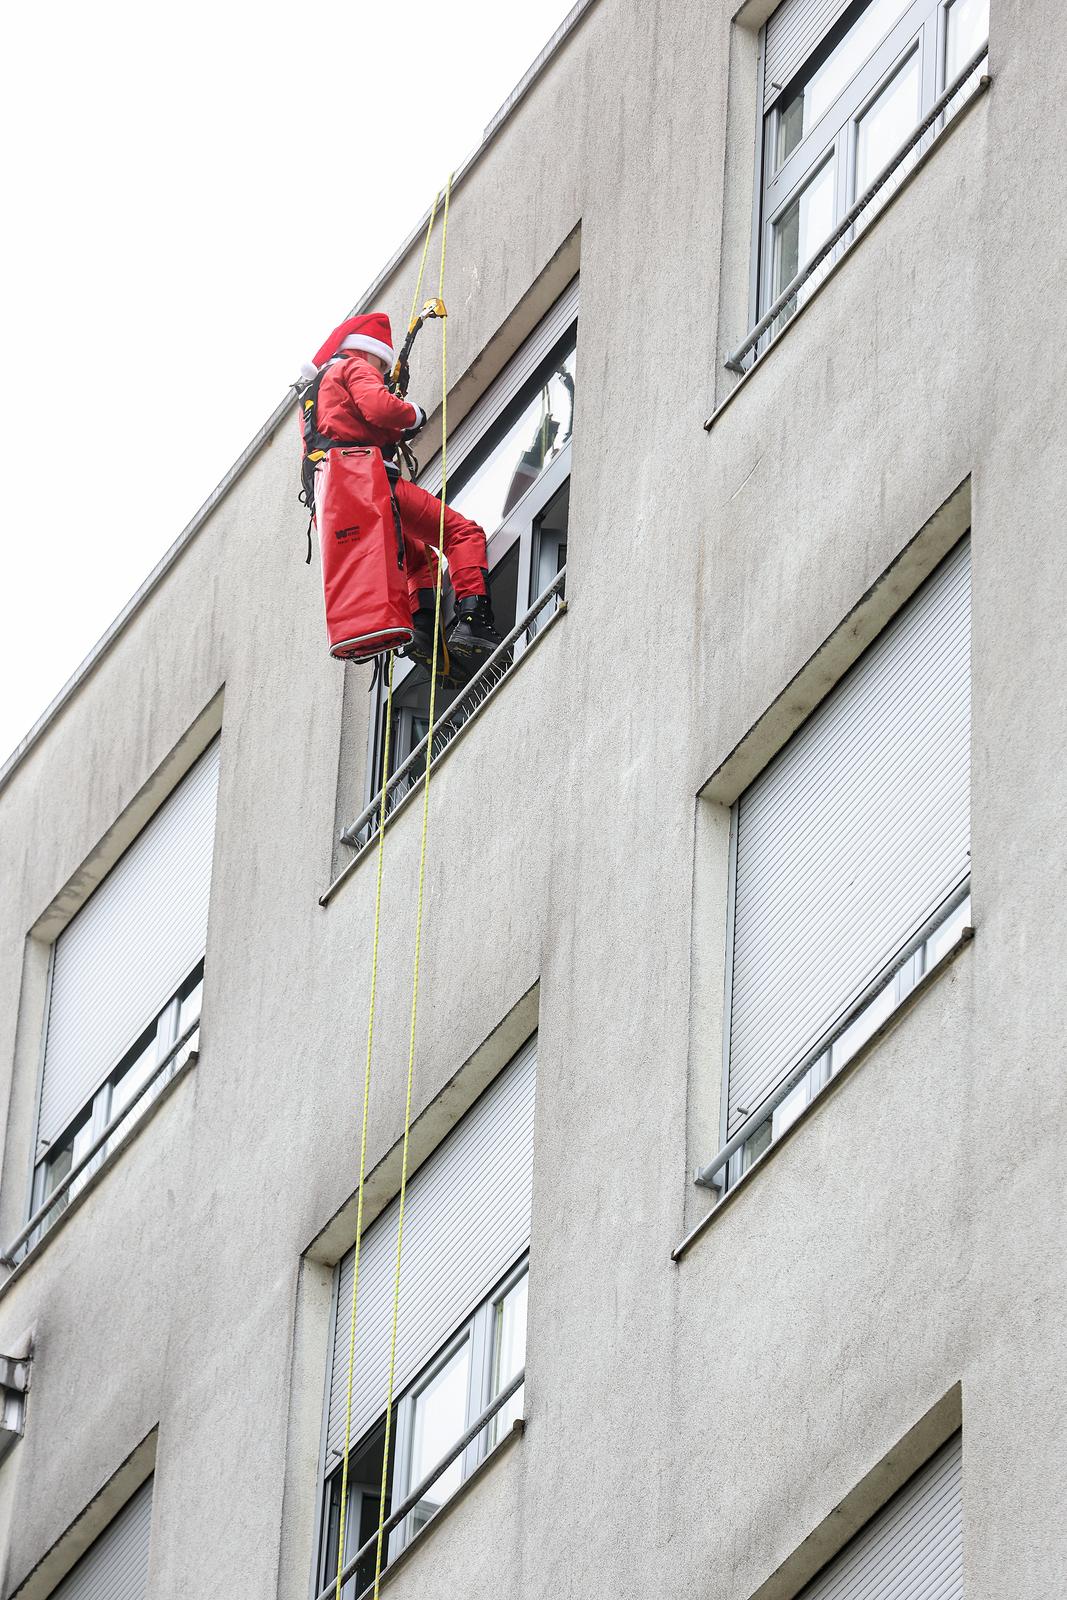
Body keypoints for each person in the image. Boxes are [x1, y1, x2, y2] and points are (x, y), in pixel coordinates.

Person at [300, 312, 501, 667]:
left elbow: (345, 430)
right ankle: (474, 622)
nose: (381, 368)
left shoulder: (314, 393)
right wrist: (413, 414)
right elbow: (379, 408)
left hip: (338, 499)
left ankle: (422, 628)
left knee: (415, 554)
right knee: (462, 533)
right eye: (381, 359)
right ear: (367, 351)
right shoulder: (354, 368)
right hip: (373, 485)